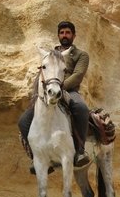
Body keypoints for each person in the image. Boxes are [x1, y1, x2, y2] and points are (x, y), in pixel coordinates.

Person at [18, 20, 92, 171]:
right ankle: (36, 156)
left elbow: (78, 75)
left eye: (68, 33)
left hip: (69, 91)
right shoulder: (51, 54)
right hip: (49, 92)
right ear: (58, 35)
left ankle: (80, 151)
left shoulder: (81, 55)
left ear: (74, 35)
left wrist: (60, 86)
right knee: (23, 121)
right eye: (62, 33)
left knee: (81, 108)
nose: (64, 35)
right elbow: (42, 74)